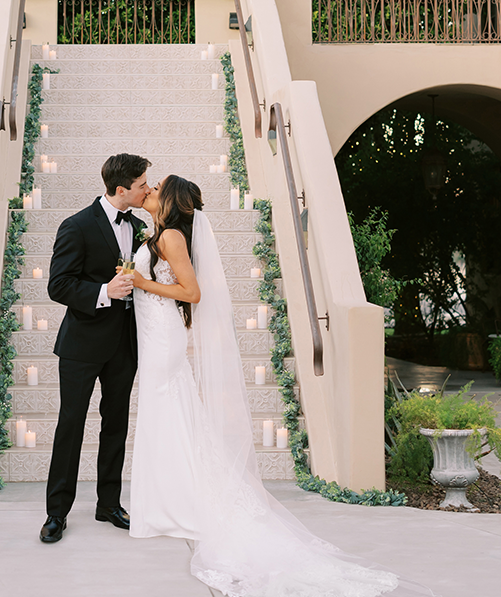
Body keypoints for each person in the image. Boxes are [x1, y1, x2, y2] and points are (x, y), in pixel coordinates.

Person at [129, 175, 429, 597]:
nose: (150, 189)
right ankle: (170, 500)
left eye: (156, 186)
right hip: (154, 331)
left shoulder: (173, 237)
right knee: (170, 413)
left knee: (168, 407)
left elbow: (192, 292)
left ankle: (176, 505)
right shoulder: (160, 234)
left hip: (162, 336)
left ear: (171, 200)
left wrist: (141, 283)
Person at [40, 152, 150, 544]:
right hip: (82, 344)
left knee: (116, 424)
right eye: (142, 186)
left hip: (124, 343)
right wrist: (104, 292)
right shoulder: (77, 226)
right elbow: (58, 285)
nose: (147, 190)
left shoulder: (140, 226)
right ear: (122, 189)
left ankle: (109, 504)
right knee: (71, 424)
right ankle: (57, 513)